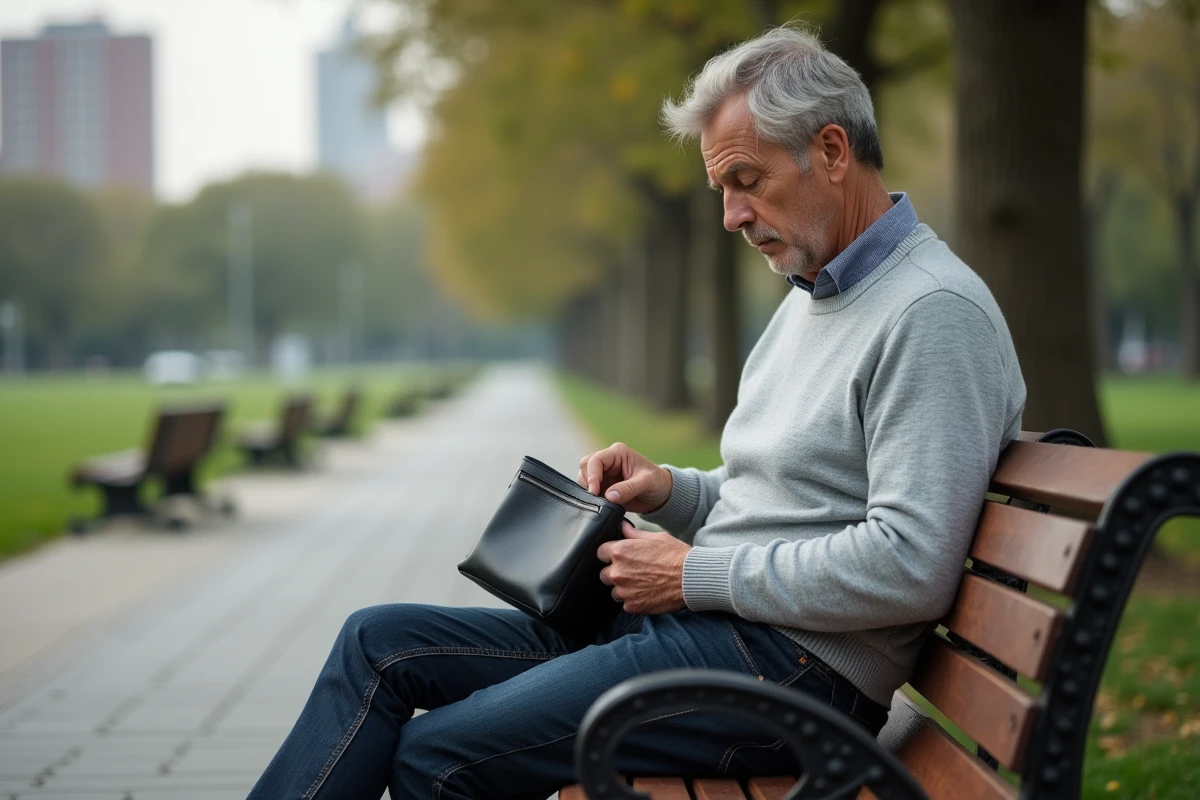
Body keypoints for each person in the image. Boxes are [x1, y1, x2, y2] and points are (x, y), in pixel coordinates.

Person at [248, 25, 1025, 800]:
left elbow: (909, 564)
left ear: (829, 150)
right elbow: (794, 497)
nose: (730, 215)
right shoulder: (815, 295)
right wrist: (672, 492)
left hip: (791, 678)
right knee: (376, 644)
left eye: (747, 180)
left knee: (437, 755)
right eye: (721, 189)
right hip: (727, 638)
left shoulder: (931, 314)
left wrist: (694, 575)